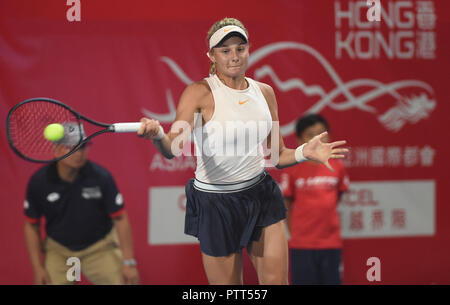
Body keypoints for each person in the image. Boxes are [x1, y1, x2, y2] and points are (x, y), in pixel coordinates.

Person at [137, 18, 348, 285]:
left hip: (261, 195)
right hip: (215, 204)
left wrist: (305, 151)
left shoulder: (265, 92)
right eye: (225, 51)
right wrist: (157, 136)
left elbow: (276, 156)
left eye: (240, 48)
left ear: (249, 49)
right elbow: (172, 148)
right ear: (211, 55)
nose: (234, 56)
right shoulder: (198, 93)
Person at [24, 123, 139, 285]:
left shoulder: (101, 177)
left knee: (128, 282)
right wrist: (38, 268)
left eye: (83, 146)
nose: (78, 153)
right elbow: (31, 225)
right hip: (60, 252)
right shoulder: (39, 182)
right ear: (56, 150)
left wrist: (129, 262)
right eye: (70, 147)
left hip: (99, 248)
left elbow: (120, 218)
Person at [280, 114, 350, 285]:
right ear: (299, 140)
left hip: (330, 243)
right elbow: (287, 204)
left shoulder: (337, 167)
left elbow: (338, 197)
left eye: (321, 133)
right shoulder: (292, 170)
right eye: (310, 135)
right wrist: (296, 233)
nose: (317, 139)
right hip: (302, 244)